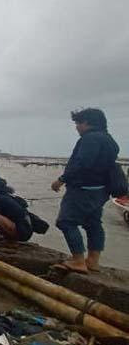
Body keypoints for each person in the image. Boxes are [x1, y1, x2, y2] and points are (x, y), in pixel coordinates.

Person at [52, 108, 119, 273]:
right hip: (101, 191)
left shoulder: (90, 139)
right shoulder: (109, 140)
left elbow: (82, 164)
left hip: (82, 190)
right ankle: (93, 261)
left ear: (88, 123)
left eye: (78, 123)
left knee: (66, 222)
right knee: (93, 223)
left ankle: (78, 260)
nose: (77, 127)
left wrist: (61, 180)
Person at [0, 177, 33, 242]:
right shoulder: (9, 196)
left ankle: (10, 237)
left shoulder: (1, 200)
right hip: (26, 231)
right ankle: (9, 236)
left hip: (21, 233)